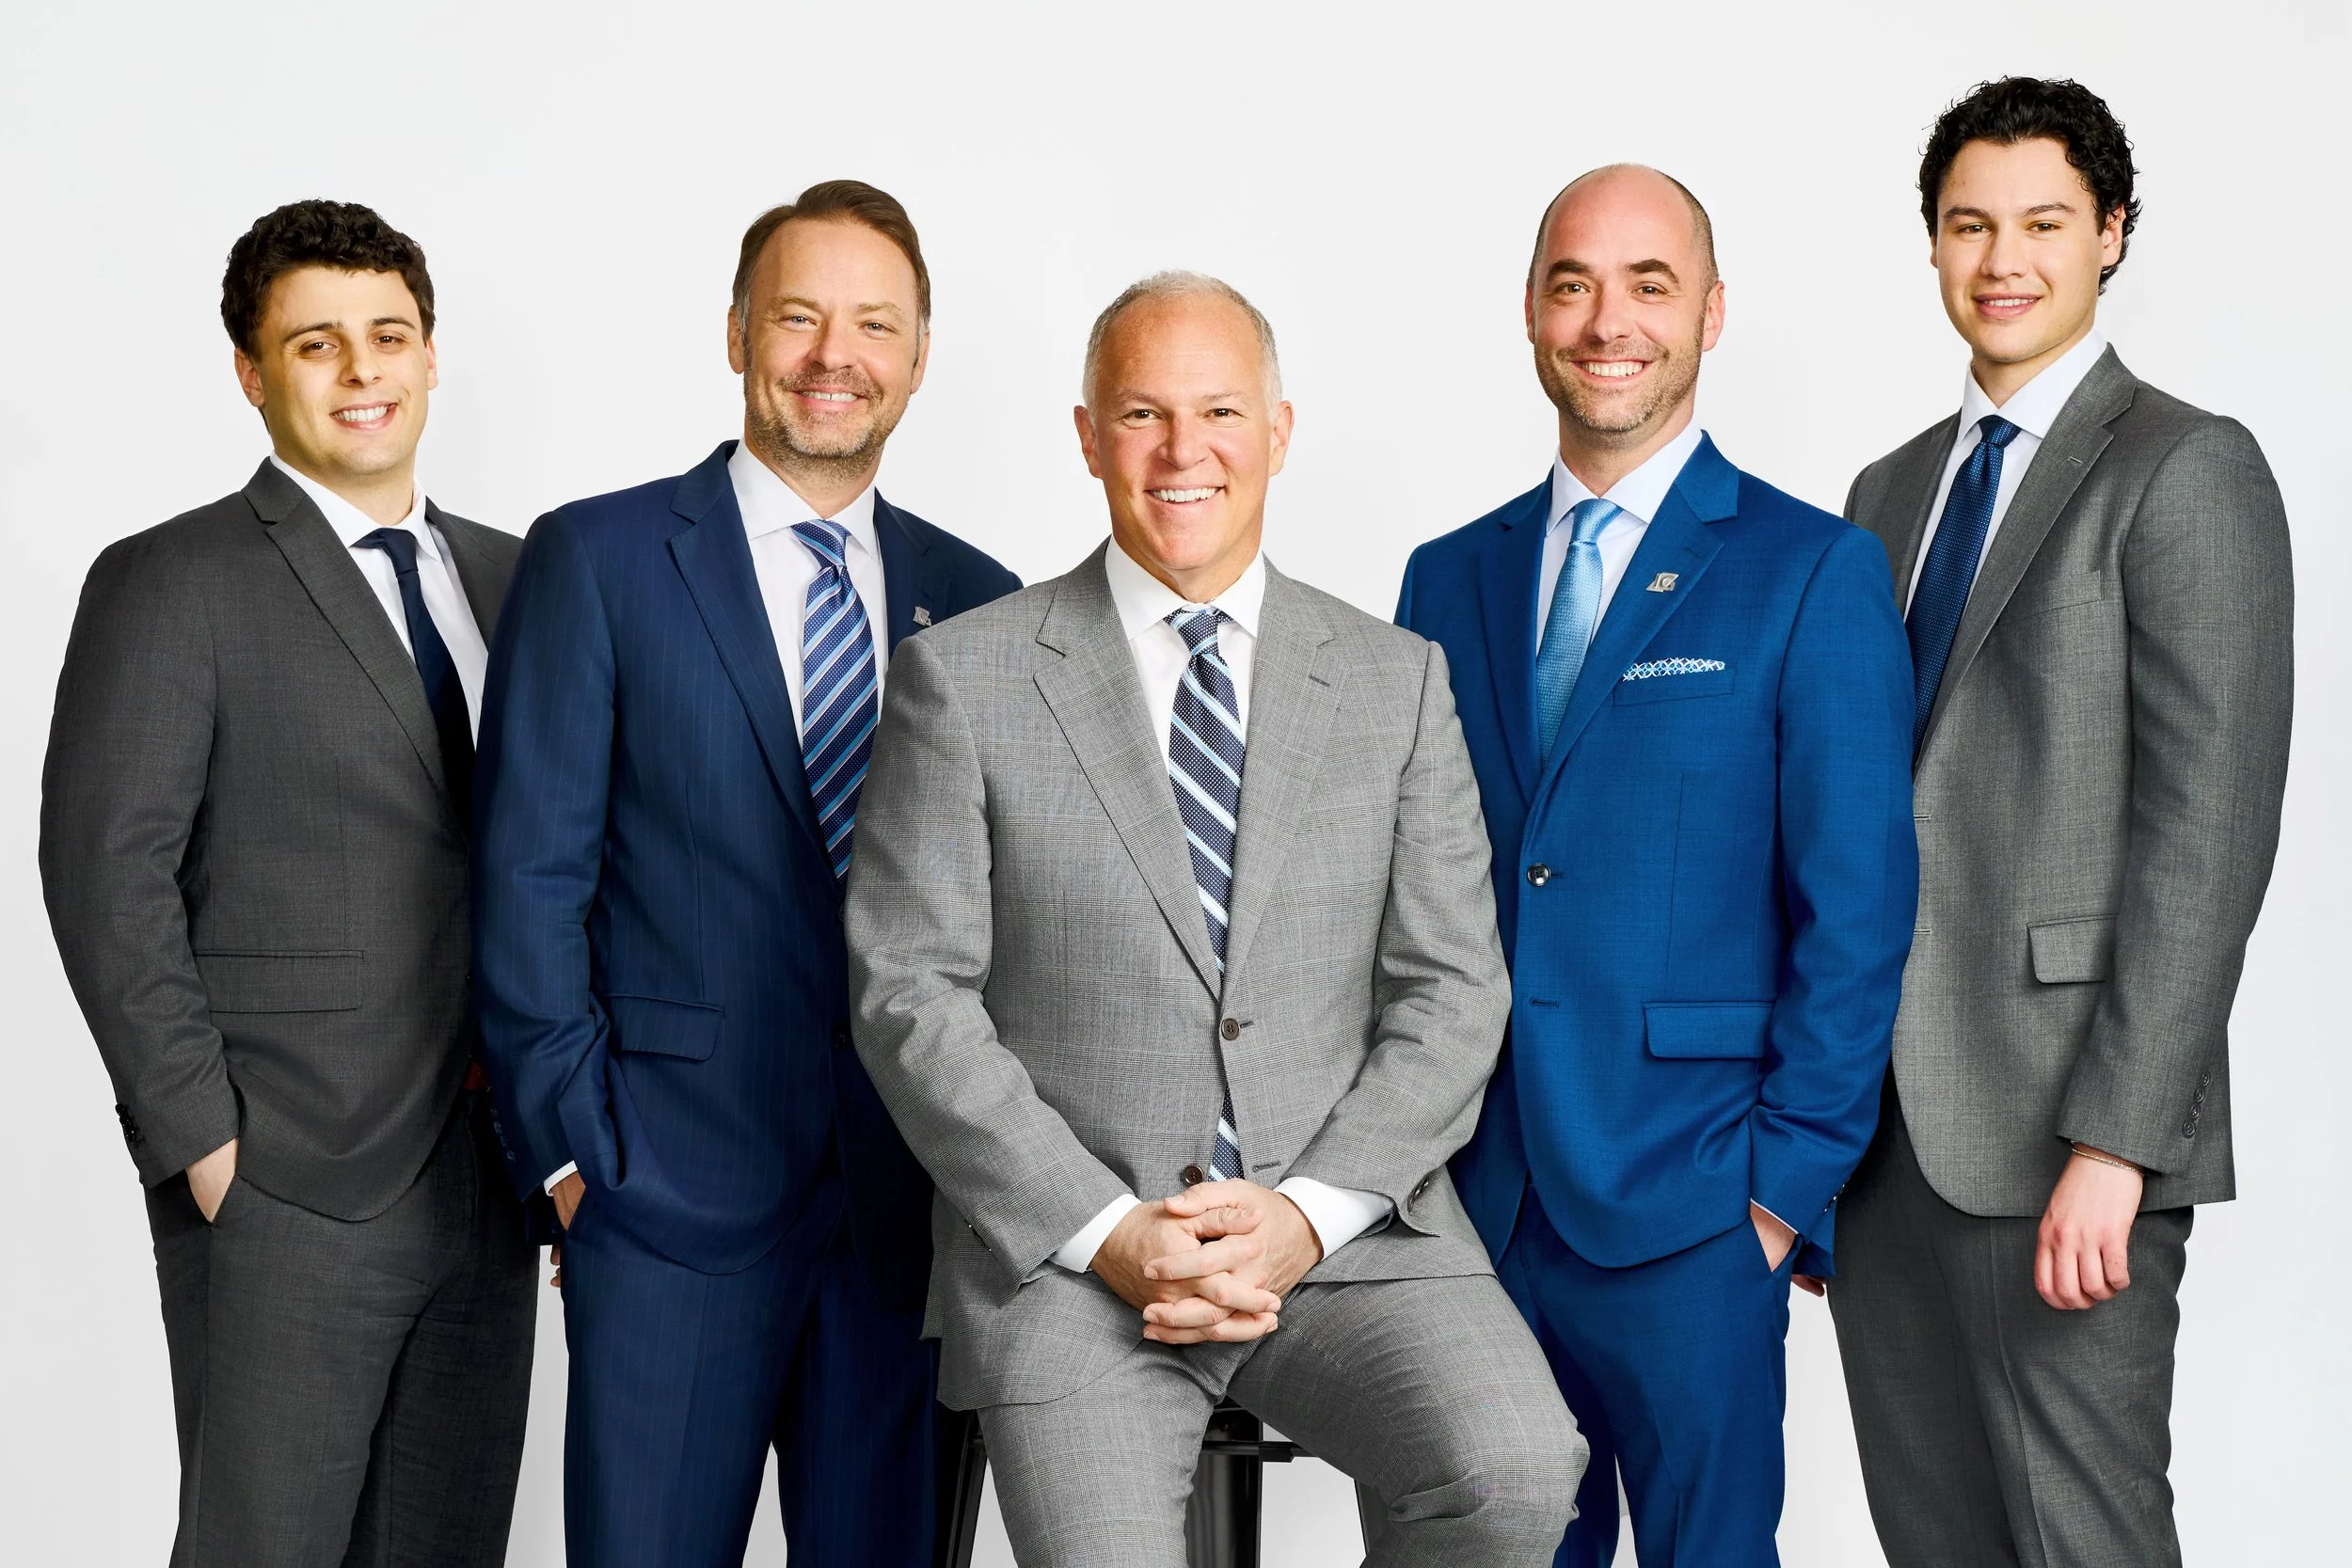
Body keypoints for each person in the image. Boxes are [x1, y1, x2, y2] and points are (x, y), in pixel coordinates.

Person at [846, 272, 1581, 1568]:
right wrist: (1107, 1227)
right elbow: (912, 991)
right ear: (1087, 436)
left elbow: (1454, 987)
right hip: (1073, 1258)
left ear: (1280, 432)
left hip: (1344, 1238)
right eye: (1142, 414)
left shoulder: (1394, 680)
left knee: (1515, 1469)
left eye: (1220, 411)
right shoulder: (963, 678)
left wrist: (1307, 1210)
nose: (1184, 452)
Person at [472, 180, 1019, 1568]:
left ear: (918, 355)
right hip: (663, 1198)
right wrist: (572, 1151)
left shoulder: (981, 597)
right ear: (736, 334)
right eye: (799, 315)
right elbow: (529, 872)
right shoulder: (598, 558)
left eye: (874, 323)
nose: (835, 354)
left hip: (909, 1217)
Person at [1395, 166, 1919, 1566]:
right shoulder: (1444, 579)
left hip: (1695, 1200)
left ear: (1711, 312)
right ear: (1529, 311)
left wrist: (1778, 1191)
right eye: (1572, 282)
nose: (1606, 319)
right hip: (1482, 1205)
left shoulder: (1813, 570)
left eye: (1649, 283)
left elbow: (1858, 907)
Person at [1827, 77, 2293, 1568]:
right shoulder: (1886, 492)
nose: (2003, 258)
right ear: (1935, 246)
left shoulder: (2184, 466)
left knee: (2082, 1540)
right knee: (1937, 1541)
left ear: (2113, 235)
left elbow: (2206, 833)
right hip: (1887, 1146)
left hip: (2064, 1130)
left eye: (2042, 222)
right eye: (1970, 225)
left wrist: (2118, 1140)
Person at [40, 199, 535, 1567]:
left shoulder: (518, 578)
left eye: (389, 336)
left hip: (487, 1185)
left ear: (434, 356)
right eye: (317, 344)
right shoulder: (171, 580)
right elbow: (103, 868)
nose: (363, 370)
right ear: (253, 374)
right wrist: (207, 1144)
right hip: (286, 1181)